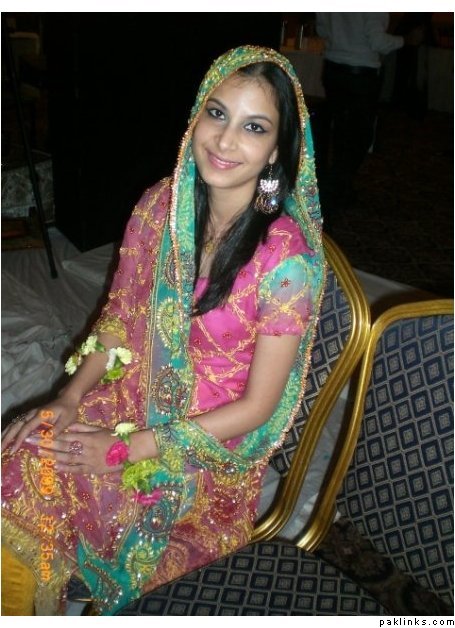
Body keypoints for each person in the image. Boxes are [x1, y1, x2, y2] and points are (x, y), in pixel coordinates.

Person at [1, 45, 325, 616]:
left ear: (277, 150)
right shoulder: (161, 207)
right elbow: (120, 320)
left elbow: (258, 407)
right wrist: (70, 397)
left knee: (90, 493)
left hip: (203, 445)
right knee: (27, 452)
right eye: (217, 113)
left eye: (253, 127)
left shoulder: (286, 262)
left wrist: (125, 448)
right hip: (134, 395)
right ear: (196, 114)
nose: (225, 140)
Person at [315, 13, 424, 228]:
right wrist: (406, 40)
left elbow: (322, 30)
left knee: (343, 133)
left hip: (333, 69)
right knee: (360, 138)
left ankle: (339, 189)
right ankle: (329, 193)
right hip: (360, 74)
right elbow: (378, 42)